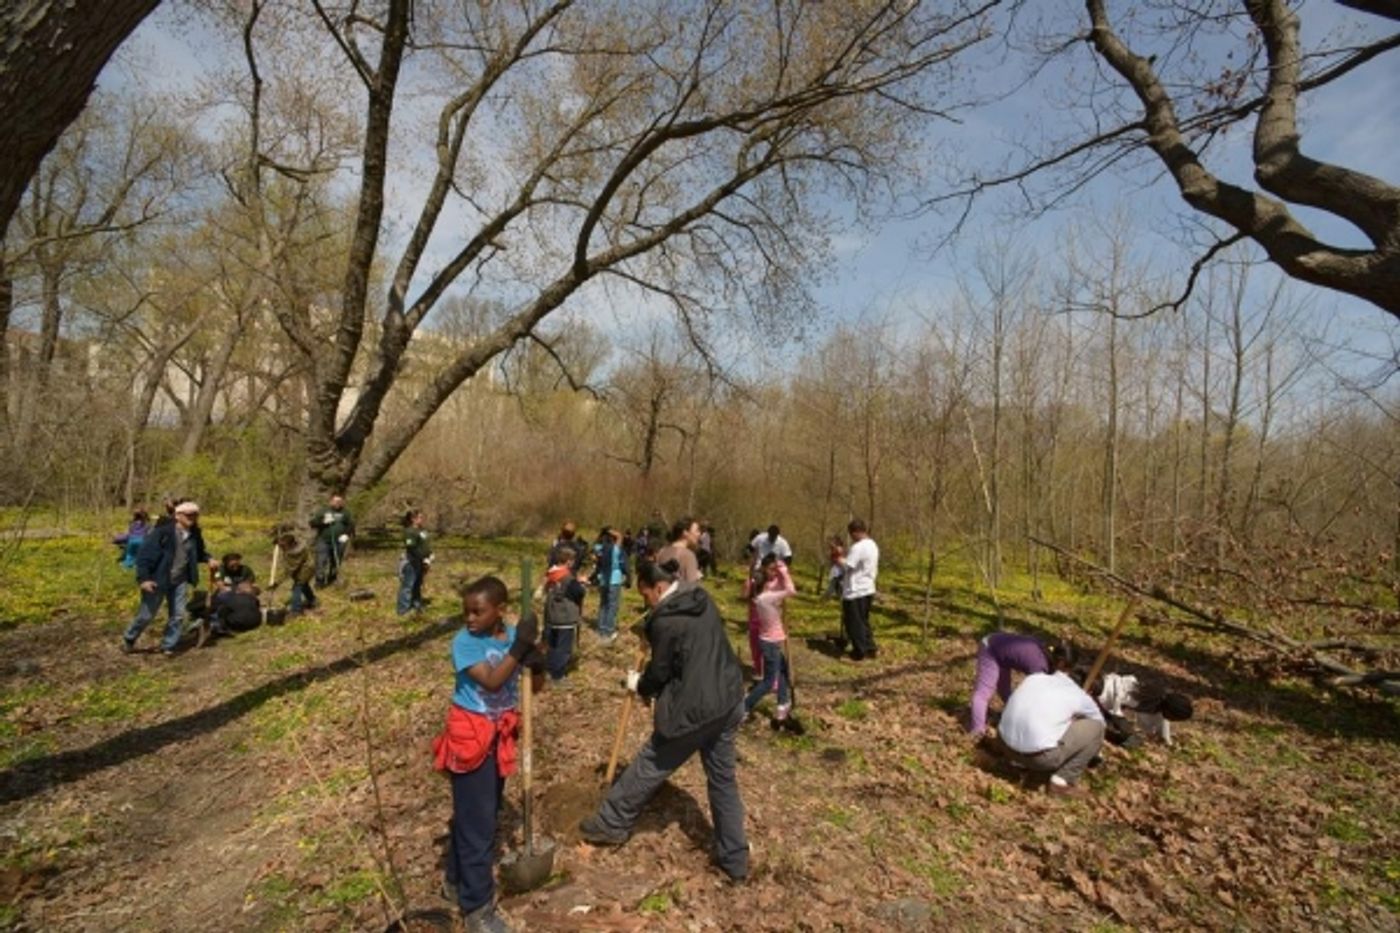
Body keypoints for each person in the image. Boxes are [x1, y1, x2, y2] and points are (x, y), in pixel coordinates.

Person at [578, 558, 749, 883]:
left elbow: (660, 672)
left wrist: (638, 683)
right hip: (728, 698)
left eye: (646, 596)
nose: (646, 602)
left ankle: (612, 823)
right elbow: (692, 645)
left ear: (658, 587)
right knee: (723, 781)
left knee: (652, 761)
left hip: (695, 710)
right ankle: (735, 859)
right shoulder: (701, 598)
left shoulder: (665, 622)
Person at [432, 576, 540, 932]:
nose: (470, 618)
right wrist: (519, 648)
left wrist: (536, 660)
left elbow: (531, 685)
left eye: (478, 611)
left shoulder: (509, 636)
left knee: (480, 815)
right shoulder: (464, 643)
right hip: (470, 739)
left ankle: (455, 883)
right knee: (477, 825)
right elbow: (493, 681)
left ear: (501, 611)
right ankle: (477, 909)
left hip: (499, 737)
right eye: (466, 611)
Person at [122, 501, 220, 657]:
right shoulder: (162, 533)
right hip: (157, 580)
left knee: (178, 615)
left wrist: (209, 559)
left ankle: (168, 645)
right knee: (147, 615)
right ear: (178, 515)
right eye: (188, 515)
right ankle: (129, 638)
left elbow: (199, 552)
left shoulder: (195, 533)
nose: (192, 518)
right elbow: (144, 557)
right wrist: (144, 579)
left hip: (179, 580)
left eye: (195, 515)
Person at [998, 668, 1105, 797]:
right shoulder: (1081, 697)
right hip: (1038, 759)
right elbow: (1100, 724)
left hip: (1003, 744)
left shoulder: (1036, 677)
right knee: (1096, 728)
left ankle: (1020, 764)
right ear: (1090, 691)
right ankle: (1062, 781)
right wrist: (1096, 753)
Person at [967, 634, 1073, 737]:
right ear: (1061, 663)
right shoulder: (1039, 665)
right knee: (983, 693)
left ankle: (1011, 714)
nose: (1066, 674)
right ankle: (977, 730)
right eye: (1065, 670)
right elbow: (1036, 694)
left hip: (1001, 649)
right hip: (991, 649)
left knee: (1004, 690)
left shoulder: (1045, 651)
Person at [743, 555, 796, 723]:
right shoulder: (767, 598)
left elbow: (778, 588)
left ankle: (782, 704)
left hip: (769, 641)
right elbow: (791, 591)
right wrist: (784, 571)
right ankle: (744, 706)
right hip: (771, 643)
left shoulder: (760, 597)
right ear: (765, 583)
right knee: (768, 681)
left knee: (782, 671)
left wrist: (778, 576)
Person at [1096, 673, 1193, 747]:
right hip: (1103, 694)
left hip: (1107, 700)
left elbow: (1162, 723)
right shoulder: (1150, 700)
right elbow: (1120, 698)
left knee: (1132, 738)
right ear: (1171, 711)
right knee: (1129, 737)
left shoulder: (1158, 704)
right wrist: (1119, 719)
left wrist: (1164, 739)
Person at [837, 519, 880, 661]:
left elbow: (847, 566)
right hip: (868, 588)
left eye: (851, 534)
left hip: (856, 590)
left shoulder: (859, 547)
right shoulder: (873, 545)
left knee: (854, 622)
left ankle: (859, 652)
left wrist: (837, 557)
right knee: (863, 620)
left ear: (855, 532)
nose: (851, 537)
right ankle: (870, 648)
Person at [543, 552, 586, 682]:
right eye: (572, 561)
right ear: (568, 561)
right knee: (564, 648)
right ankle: (558, 676)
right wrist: (582, 584)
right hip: (565, 618)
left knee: (553, 645)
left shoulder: (551, 575)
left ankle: (550, 668)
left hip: (552, 616)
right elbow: (579, 592)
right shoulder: (567, 577)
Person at [308, 493, 354, 586]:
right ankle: (319, 582)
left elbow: (350, 525)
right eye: (336, 501)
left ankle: (332, 579)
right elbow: (312, 523)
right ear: (331, 501)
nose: (338, 503)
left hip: (339, 541)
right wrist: (323, 522)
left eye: (340, 501)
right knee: (321, 561)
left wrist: (346, 535)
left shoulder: (345, 512)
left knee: (336, 561)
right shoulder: (323, 511)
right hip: (324, 540)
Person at [590, 527, 626, 643]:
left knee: (603, 604)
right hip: (614, 580)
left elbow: (595, 549)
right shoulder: (615, 549)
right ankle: (608, 631)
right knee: (612, 606)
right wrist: (614, 532)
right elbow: (620, 537)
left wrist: (603, 532)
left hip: (603, 579)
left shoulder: (598, 549)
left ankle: (600, 629)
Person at [398, 509, 434, 616]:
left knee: (417, 584)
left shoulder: (422, 530)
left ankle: (417, 604)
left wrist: (430, 555)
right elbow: (411, 547)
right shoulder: (409, 531)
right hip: (412, 561)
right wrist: (423, 558)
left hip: (422, 561)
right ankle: (403, 609)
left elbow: (425, 544)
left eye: (422, 517)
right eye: (420, 517)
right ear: (413, 519)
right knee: (408, 585)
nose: (422, 519)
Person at [278, 531, 318, 615]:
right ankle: (312, 601)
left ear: (291, 545)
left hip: (306, 570)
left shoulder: (295, 554)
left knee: (297, 588)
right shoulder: (296, 544)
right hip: (306, 567)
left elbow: (290, 570)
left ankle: (296, 610)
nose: (282, 548)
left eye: (283, 546)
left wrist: (277, 582)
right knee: (304, 585)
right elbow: (288, 536)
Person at [655, 516, 703, 584]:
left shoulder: (661, 552)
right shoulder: (688, 555)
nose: (699, 534)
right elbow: (692, 588)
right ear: (685, 532)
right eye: (697, 531)